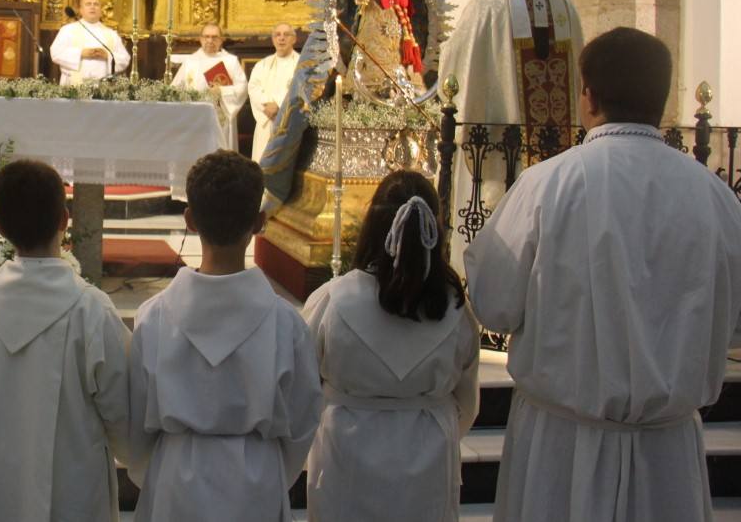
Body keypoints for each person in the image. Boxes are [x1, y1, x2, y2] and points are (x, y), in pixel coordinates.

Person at [465, 27, 741, 522]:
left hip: (562, 450)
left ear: (587, 96)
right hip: (667, 457)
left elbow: (495, 305)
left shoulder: (548, 185)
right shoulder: (715, 197)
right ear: (663, 99)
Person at [127, 151, 320, 521]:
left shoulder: (153, 318)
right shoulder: (286, 324)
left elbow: (135, 425)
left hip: (176, 480)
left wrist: (159, 469)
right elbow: (302, 423)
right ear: (260, 222)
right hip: (256, 482)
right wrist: (271, 470)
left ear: (190, 220)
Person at [0, 159, 130, 522]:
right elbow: (123, 409)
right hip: (73, 490)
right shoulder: (91, 311)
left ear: (0, 228)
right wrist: (139, 458)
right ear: (64, 220)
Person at [303, 170, 480, 521]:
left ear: (372, 225)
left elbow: (300, 393)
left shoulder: (333, 301)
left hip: (346, 457)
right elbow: (468, 405)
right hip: (427, 459)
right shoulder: (455, 310)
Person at [437, 0, 582, 272]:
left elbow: (453, 84)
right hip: (559, 173)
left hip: (496, 167)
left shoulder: (486, 6)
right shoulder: (566, 6)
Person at [172, 22, 249, 150]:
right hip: (194, 118)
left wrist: (222, 91)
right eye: (206, 36)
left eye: (214, 37)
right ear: (200, 39)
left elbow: (242, 88)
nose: (210, 40)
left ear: (221, 40)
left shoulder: (230, 61)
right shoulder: (190, 61)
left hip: (220, 116)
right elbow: (175, 88)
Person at [247, 22, 300, 162]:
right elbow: (253, 87)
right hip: (265, 121)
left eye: (286, 35)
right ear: (273, 39)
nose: (281, 38)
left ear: (294, 39)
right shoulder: (262, 64)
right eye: (277, 35)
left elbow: (300, 89)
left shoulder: (301, 64)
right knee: (261, 162)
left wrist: (278, 106)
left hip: (288, 123)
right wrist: (266, 104)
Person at [50, 0, 131, 83]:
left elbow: (125, 59)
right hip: (74, 86)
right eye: (88, 4)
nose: (92, 7)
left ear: (101, 10)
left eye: (96, 4)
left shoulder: (111, 34)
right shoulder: (67, 30)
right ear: (81, 10)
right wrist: (80, 53)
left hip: (104, 87)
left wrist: (107, 55)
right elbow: (56, 53)